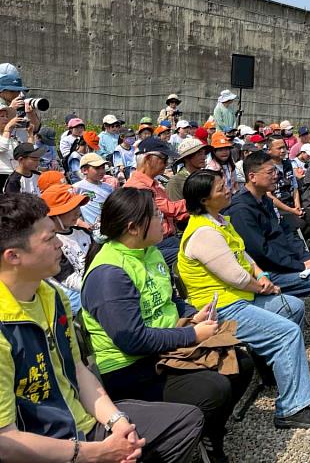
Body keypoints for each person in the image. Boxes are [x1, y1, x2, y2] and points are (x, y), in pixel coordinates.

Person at [0, 192, 204, 463]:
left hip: (83, 424)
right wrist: (96, 453)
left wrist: (117, 422)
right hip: (45, 448)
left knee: (184, 422)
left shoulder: (52, 296)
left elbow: (77, 368)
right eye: (49, 239)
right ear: (13, 256)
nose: (60, 244)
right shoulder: (5, 324)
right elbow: (6, 442)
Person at [81, 187, 253, 461]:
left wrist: (193, 315)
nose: (163, 220)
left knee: (240, 362)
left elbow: (171, 300)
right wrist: (192, 334)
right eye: (156, 215)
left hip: (164, 349)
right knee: (213, 388)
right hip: (131, 368)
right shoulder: (109, 274)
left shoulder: (150, 252)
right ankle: (196, 439)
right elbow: (132, 340)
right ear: (133, 228)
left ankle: (209, 433)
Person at [180, 166, 310, 428]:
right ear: (204, 200)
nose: (228, 190)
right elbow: (236, 277)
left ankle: (274, 372)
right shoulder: (204, 233)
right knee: (286, 333)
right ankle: (291, 408)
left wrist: (261, 275)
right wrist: (263, 287)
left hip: (239, 297)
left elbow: (244, 256)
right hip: (221, 308)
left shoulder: (220, 221)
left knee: (293, 307)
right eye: (221, 188)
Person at [221, 160, 310, 371]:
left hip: (282, 264)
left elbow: (285, 234)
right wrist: (298, 265)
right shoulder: (241, 209)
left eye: (276, 171)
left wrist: (305, 257)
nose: (276, 175)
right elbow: (260, 251)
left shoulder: (264, 200)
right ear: (252, 176)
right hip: (265, 273)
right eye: (270, 172)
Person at [125, 137, 188, 268]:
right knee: (191, 255)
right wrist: (196, 200)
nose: (166, 164)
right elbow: (170, 209)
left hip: (167, 239)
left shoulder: (154, 183)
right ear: (148, 159)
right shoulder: (138, 187)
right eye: (164, 159)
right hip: (153, 245)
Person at [40, 182, 92, 313]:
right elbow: (66, 278)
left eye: (78, 206)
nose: (77, 212)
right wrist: (98, 287)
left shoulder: (83, 233)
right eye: (71, 209)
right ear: (53, 215)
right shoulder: (52, 242)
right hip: (70, 300)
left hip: (91, 288)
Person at [265, 137, 310, 239]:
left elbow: (295, 187)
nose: (283, 151)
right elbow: (269, 196)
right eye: (279, 148)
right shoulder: (266, 168)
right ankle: (292, 243)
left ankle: (298, 242)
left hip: (292, 205)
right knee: (300, 224)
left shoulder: (288, 164)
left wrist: (297, 207)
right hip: (278, 209)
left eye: (284, 147)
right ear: (269, 150)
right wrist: (292, 211)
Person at [72, 153, 114, 228]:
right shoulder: (77, 188)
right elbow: (70, 210)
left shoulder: (108, 187)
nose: (102, 171)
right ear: (85, 170)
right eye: (97, 168)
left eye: (103, 167)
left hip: (110, 226)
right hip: (91, 229)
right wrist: (80, 223)